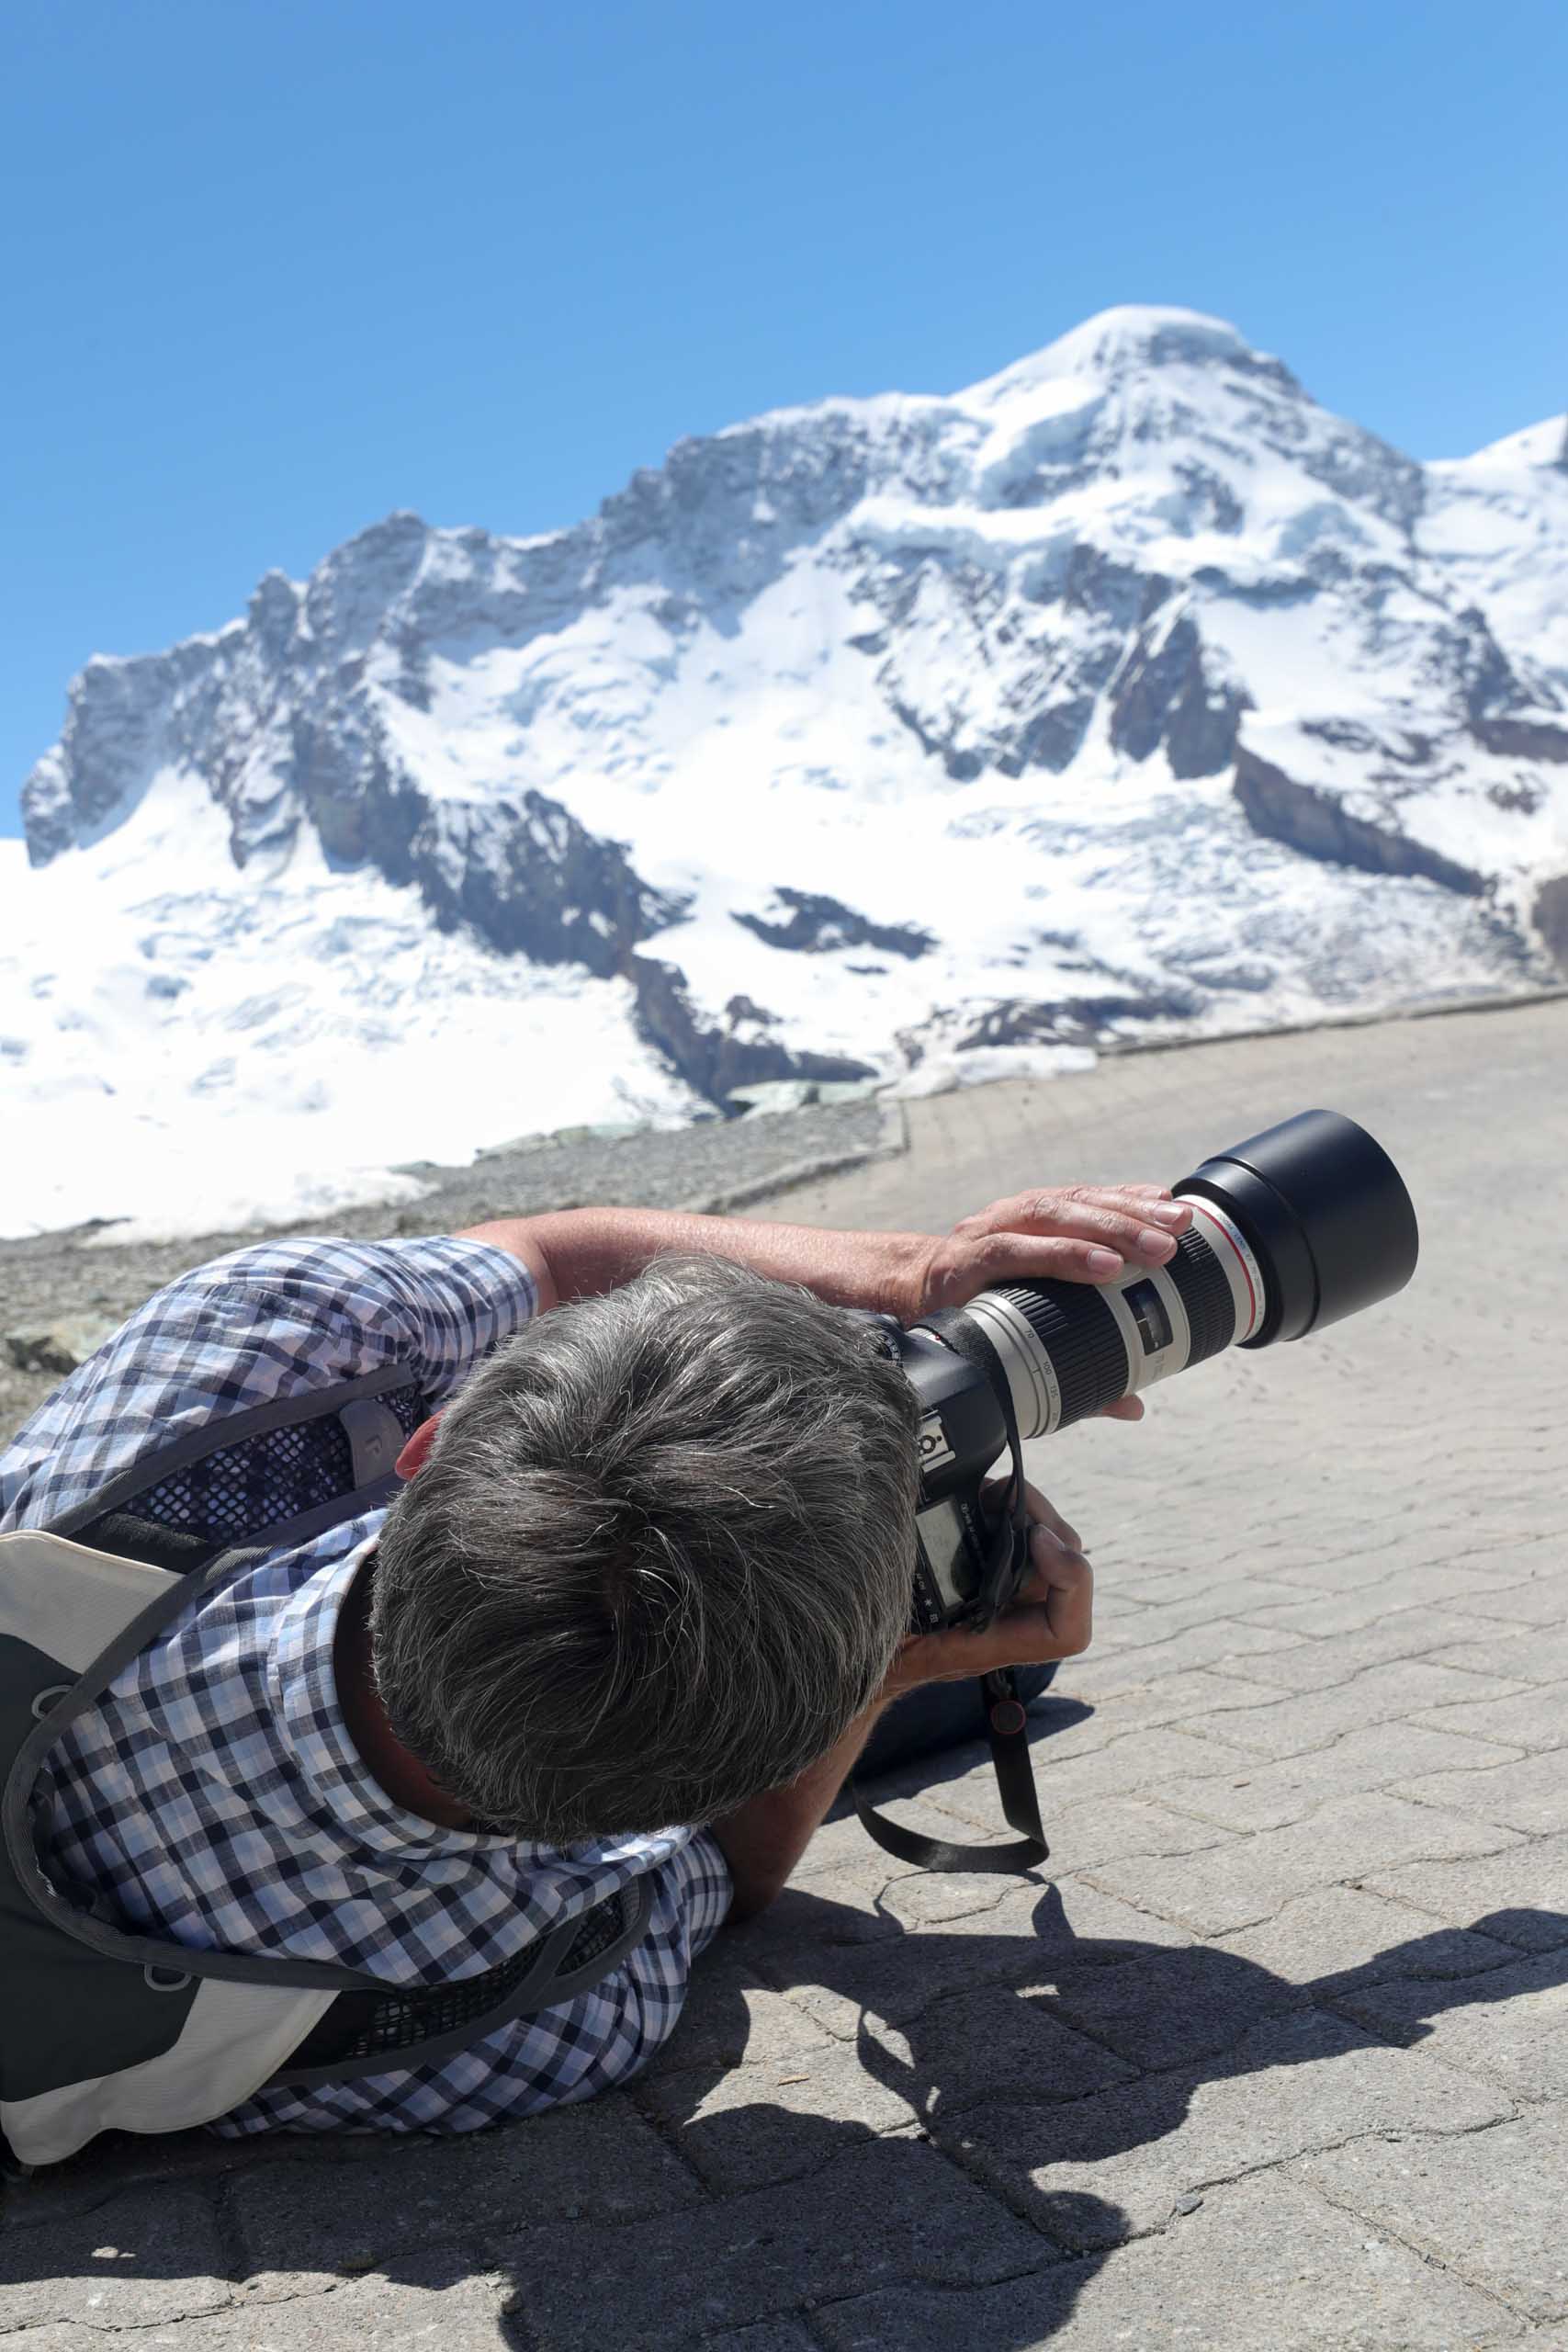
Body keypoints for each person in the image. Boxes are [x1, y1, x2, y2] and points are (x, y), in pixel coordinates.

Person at [0, 1180, 1190, 2140]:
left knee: (1008, 1676)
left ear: (428, 1447)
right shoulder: (542, 2017)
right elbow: (730, 1873)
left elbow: (551, 1257)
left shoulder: (242, 1353)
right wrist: (892, 1668)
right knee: (1012, 1678)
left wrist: (910, 1279)